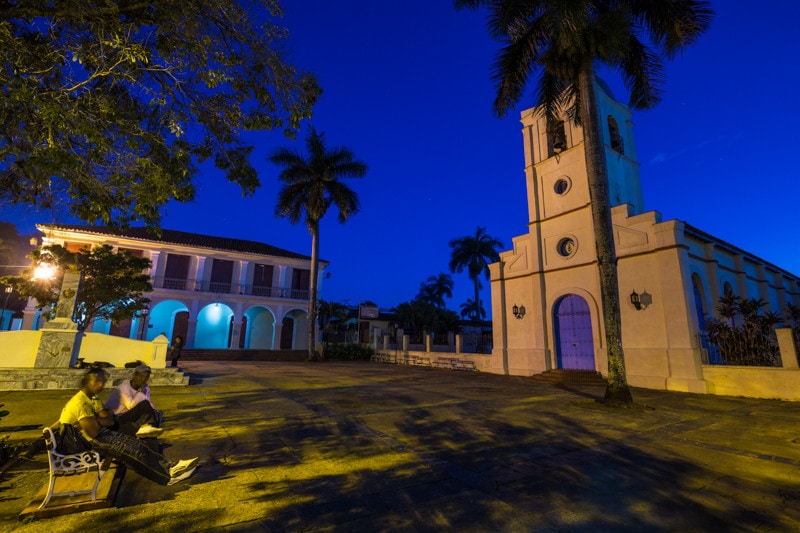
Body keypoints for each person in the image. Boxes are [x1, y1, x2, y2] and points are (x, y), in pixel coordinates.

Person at [59, 367, 198, 486]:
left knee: (137, 445)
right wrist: (100, 419)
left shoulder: (92, 398)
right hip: (83, 444)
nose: (101, 385)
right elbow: (94, 432)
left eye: (103, 381)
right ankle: (168, 477)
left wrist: (97, 419)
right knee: (131, 449)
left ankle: (171, 466)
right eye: (97, 381)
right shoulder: (80, 403)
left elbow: (109, 421)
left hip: (98, 435)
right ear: (85, 382)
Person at [105, 364, 164, 438]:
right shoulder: (124, 388)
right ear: (134, 376)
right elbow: (131, 406)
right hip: (116, 418)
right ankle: (146, 427)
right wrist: (141, 392)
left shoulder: (145, 386)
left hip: (128, 415)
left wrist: (154, 411)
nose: (143, 379)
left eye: (146, 377)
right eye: (141, 376)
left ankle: (148, 428)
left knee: (157, 413)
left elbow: (148, 402)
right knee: (145, 405)